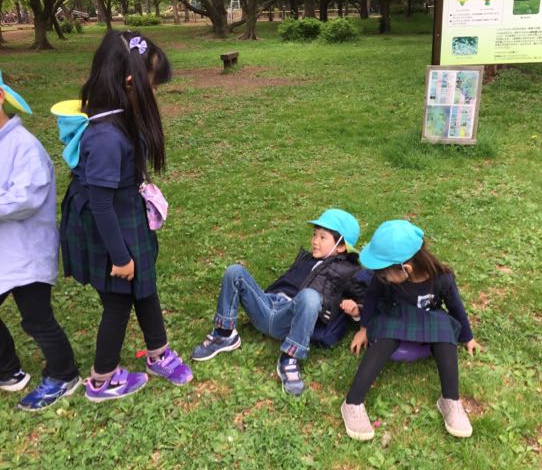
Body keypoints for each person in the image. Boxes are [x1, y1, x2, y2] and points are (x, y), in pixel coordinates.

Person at [56, 31, 192, 402]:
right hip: (108, 231)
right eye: (153, 85)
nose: (155, 93)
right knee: (118, 301)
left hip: (126, 216)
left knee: (144, 286)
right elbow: (100, 205)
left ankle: (158, 353)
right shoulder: (105, 137)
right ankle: (102, 380)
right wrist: (119, 258)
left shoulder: (122, 118)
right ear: (130, 81)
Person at [192, 208, 366, 396]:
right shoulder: (309, 258)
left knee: (310, 296)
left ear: (341, 247)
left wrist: (357, 313)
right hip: (267, 304)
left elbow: (369, 298)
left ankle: (289, 358)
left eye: (323, 237)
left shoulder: (348, 271)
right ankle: (225, 334)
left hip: (290, 316)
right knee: (235, 271)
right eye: (314, 235)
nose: (315, 241)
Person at [341, 220, 482, 440]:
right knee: (385, 337)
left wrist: (468, 337)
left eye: (384, 273)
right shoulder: (384, 277)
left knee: (445, 330)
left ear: (405, 269)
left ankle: (450, 401)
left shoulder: (442, 279)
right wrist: (364, 328)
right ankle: (352, 402)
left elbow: (455, 306)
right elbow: (371, 298)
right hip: (394, 316)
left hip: (427, 317)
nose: (380, 276)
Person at [0, 70, 81, 411]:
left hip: (27, 252)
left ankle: (64, 374)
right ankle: (8, 371)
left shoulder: (24, 146)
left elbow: (26, 198)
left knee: (36, 318)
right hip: (5, 252)